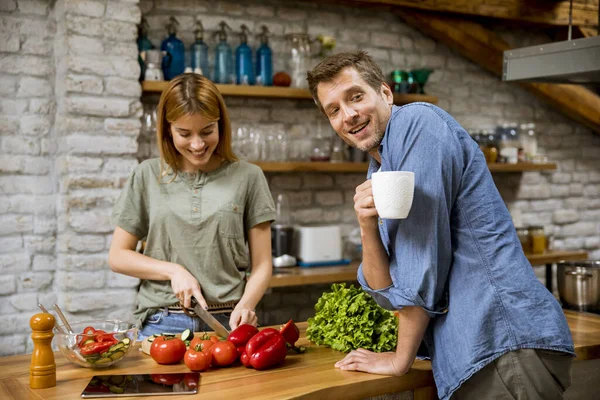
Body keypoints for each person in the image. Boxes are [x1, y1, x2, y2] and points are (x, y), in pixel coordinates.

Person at [307, 51, 574, 400]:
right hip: (479, 355)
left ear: (385, 93)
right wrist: (366, 226)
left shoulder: (417, 125)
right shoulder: (382, 169)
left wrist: (399, 361)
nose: (349, 114)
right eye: (334, 110)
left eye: (355, 96)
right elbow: (384, 288)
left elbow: (422, 266)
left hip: (502, 346)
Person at [109, 73, 276, 339]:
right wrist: (173, 270)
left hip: (229, 322)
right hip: (162, 324)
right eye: (184, 133)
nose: (198, 144)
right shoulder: (147, 175)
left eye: (207, 131)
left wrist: (247, 305)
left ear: (221, 124)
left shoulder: (249, 177)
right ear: (167, 129)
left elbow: (263, 264)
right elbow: (118, 256)